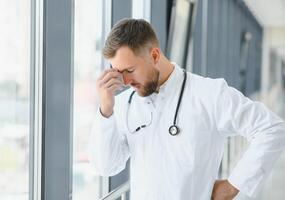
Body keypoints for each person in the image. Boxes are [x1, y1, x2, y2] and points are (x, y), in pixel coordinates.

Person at [88, 18, 285, 200]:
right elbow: (106, 166)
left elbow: (271, 129)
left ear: (154, 55)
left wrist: (235, 185)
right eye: (118, 72)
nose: (125, 81)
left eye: (130, 70)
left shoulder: (209, 94)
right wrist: (105, 110)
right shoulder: (123, 105)